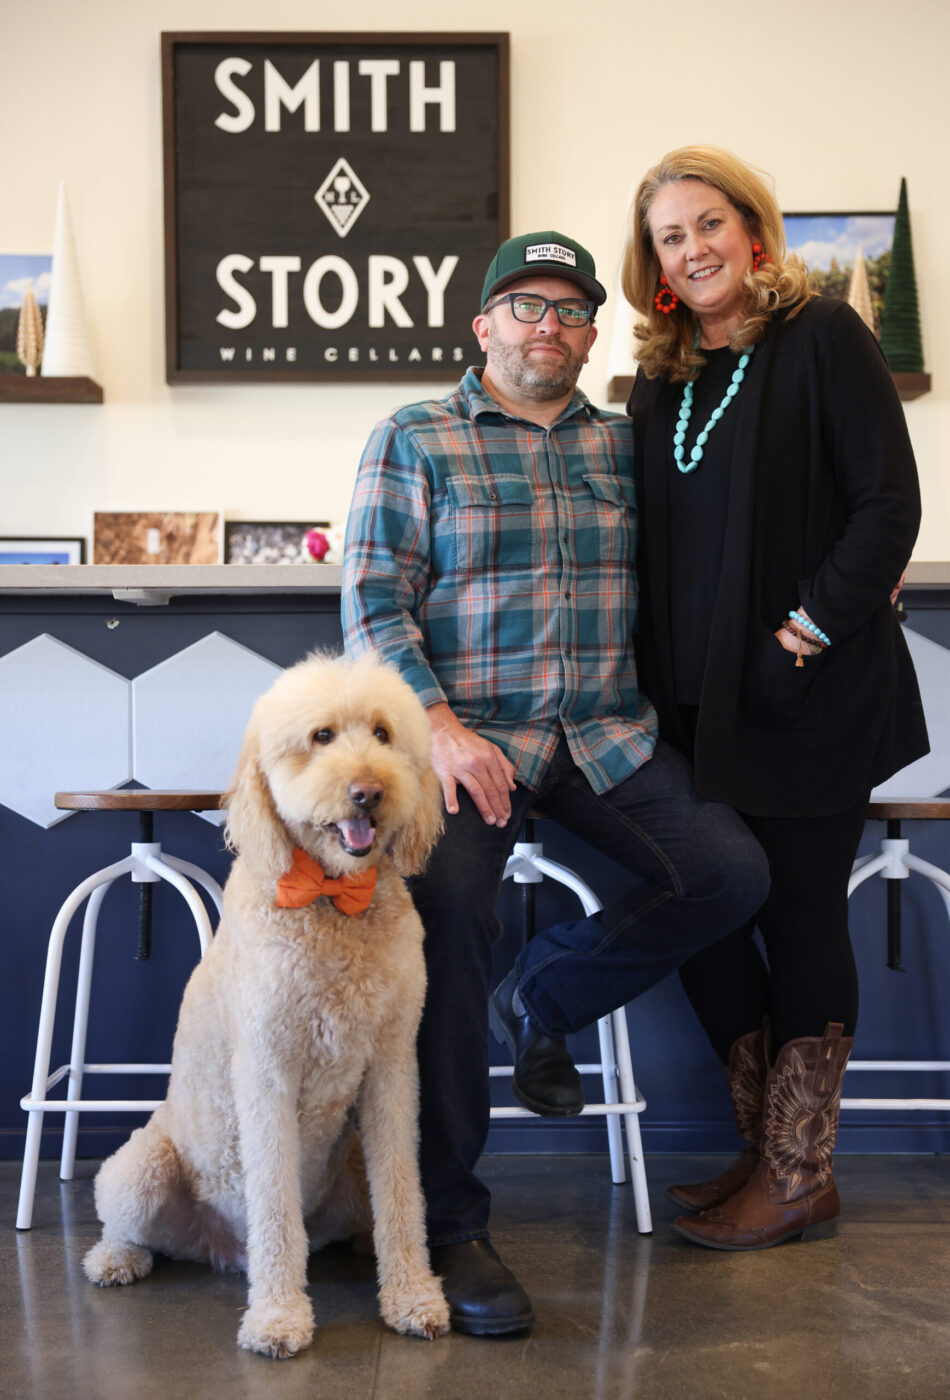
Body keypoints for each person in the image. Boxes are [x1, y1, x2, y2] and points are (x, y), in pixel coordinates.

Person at [341, 229, 770, 1334]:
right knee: (443, 921)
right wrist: (434, 728)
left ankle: (542, 994)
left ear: (591, 334)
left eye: (570, 310)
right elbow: (374, 603)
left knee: (727, 874)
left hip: (605, 737)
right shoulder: (415, 436)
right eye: (526, 305)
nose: (549, 325)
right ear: (481, 325)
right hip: (467, 740)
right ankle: (451, 1226)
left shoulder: (625, 442)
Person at [623, 147, 929, 1251]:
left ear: (753, 232)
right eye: (670, 234)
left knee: (797, 913)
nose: (693, 247)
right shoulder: (659, 374)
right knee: (706, 904)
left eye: (710, 222)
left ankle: (799, 1173)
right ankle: (768, 1152)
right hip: (693, 703)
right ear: (651, 261)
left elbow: (887, 505)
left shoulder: (821, 337)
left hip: (808, 689)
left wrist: (802, 629)